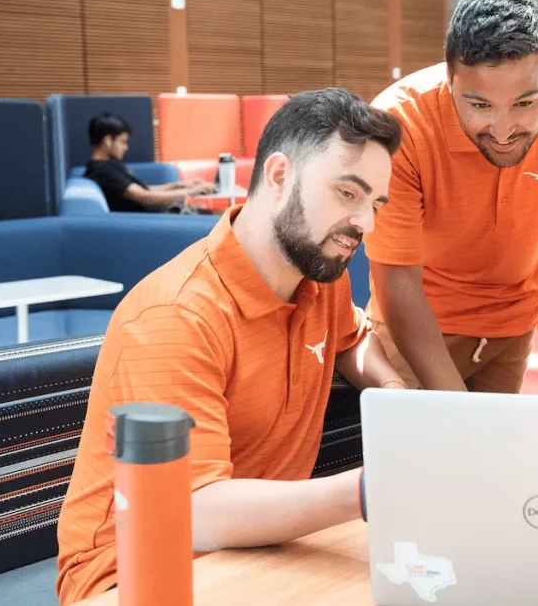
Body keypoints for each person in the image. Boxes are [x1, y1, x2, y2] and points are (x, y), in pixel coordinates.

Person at [57, 89, 407, 605]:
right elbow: (191, 513)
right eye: (348, 193)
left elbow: (350, 342)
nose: (366, 223)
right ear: (280, 174)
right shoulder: (177, 315)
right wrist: (368, 491)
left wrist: (394, 389)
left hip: (264, 550)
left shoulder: (320, 274)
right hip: (132, 573)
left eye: (375, 203)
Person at [364, 0, 538, 394]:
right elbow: (396, 277)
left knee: (493, 454)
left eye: (526, 103)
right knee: (417, 452)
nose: (504, 129)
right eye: (479, 106)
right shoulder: (398, 123)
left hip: (515, 320)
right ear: (450, 80)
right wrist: (454, 404)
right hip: (417, 323)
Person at [84, 112, 215, 212]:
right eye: (123, 142)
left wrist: (179, 185)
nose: (126, 147)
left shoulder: (110, 165)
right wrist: (191, 192)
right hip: (152, 220)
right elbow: (144, 197)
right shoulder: (102, 170)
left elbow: (142, 189)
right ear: (107, 140)